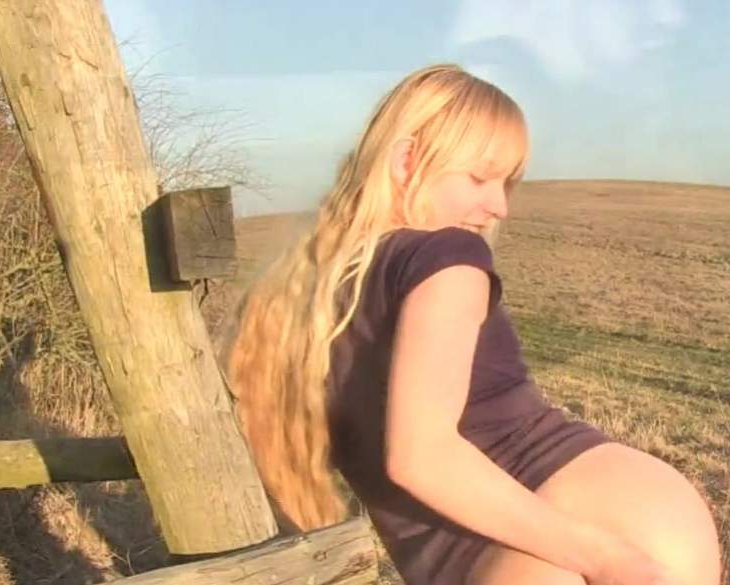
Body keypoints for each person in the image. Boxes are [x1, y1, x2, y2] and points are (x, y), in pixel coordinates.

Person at [223, 64, 722, 585]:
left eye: (507, 183)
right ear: (406, 161)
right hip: (593, 526)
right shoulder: (441, 257)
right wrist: (605, 558)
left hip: (554, 539)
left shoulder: (295, 298)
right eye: (480, 178)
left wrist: (606, 558)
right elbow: (421, 456)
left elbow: (407, 457)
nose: (498, 206)